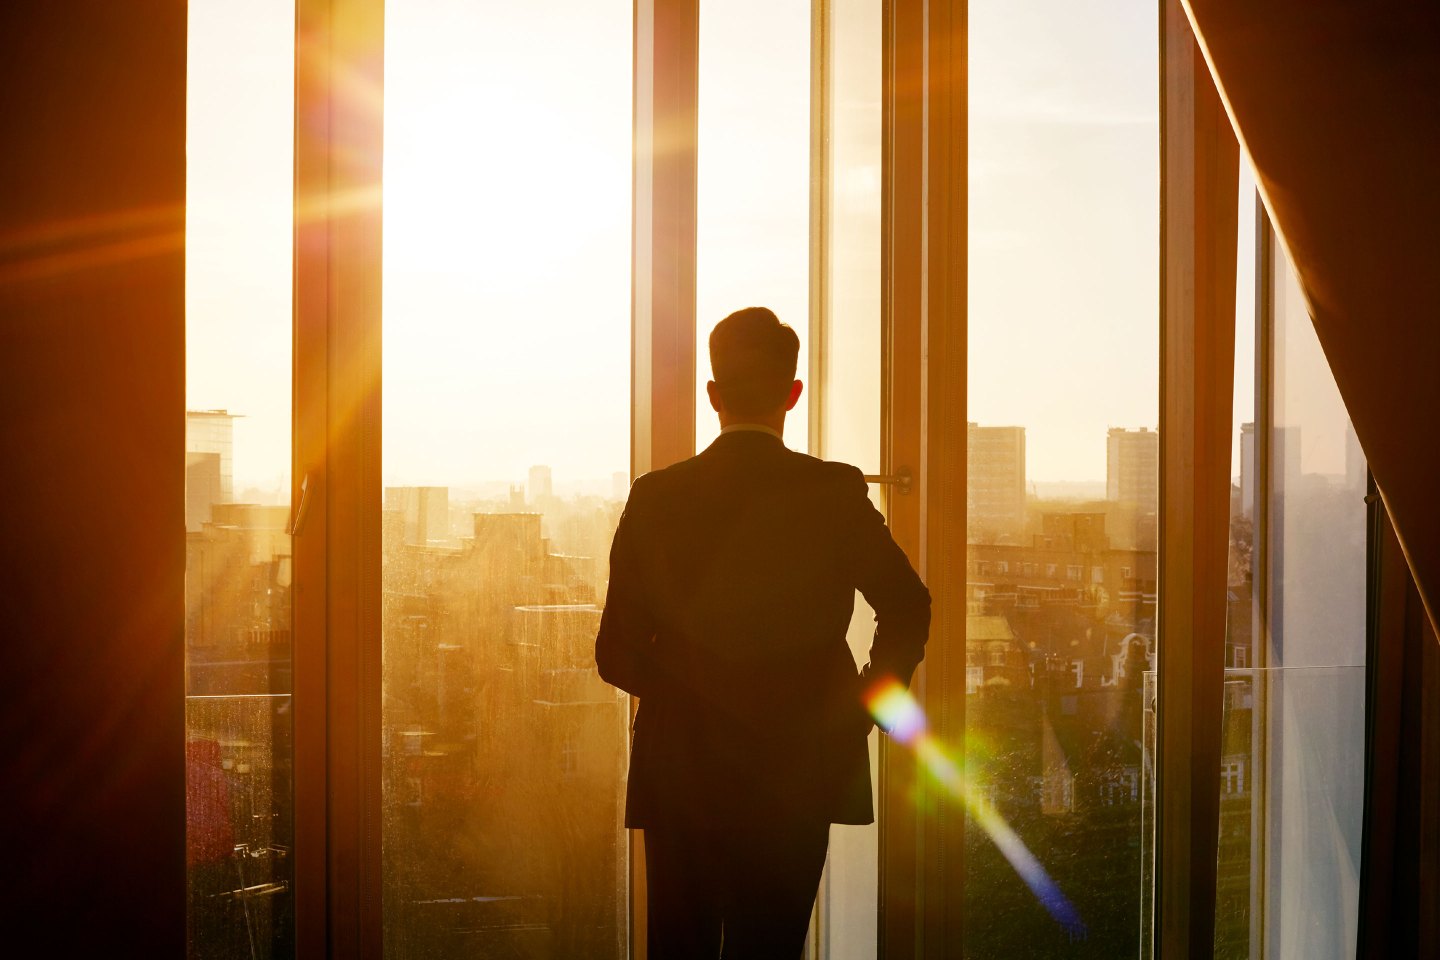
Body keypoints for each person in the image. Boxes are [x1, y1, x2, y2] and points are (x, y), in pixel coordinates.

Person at [595, 306, 930, 957]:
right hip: (800, 764)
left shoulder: (656, 497)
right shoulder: (831, 490)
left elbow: (616, 655)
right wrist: (863, 709)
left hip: (681, 771)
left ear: (713, 395)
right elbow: (908, 606)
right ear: (793, 394)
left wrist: (695, 695)